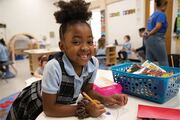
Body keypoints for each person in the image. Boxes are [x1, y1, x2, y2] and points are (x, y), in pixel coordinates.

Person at [7, 0, 128, 119]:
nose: (85, 47)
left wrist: (105, 99)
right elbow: (49, 109)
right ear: (62, 46)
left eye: (90, 41)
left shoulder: (93, 63)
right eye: (76, 42)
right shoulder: (54, 67)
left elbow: (87, 90)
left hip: (64, 103)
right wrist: (85, 109)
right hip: (39, 102)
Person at [144, 0, 169, 66]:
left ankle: (147, 75)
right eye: (166, 6)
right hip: (156, 38)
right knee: (163, 60)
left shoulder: (152, 15)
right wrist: (150, 34)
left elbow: (147, 28)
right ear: (163, 5)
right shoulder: (161, 14)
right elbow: (158, 27)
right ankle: (166, 76)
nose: (166, 8)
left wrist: (147, 34)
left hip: (148, 39)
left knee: (149, 60)